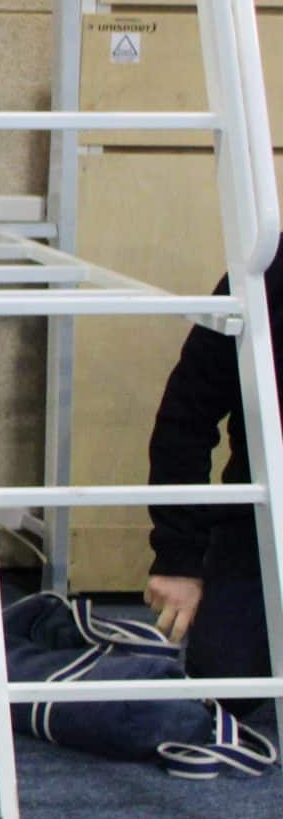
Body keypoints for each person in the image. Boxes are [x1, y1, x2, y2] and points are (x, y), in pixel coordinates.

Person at [142, 272, 279, 722]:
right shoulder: (261, 274)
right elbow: (186, 419)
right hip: (264, 524)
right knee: (228, 679)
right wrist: (180, 558)